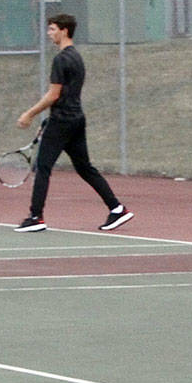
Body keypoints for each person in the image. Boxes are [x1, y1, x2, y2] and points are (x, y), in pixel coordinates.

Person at [14, 14, 133, 233]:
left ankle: (36, 217)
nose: (49, 33)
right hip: (75, 120)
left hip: (63, 121)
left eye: (52, 29)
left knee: (43, 167)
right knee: (85, 168)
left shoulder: (61, 59)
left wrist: (29, 114)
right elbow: (67, 94)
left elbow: (53, 95)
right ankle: (117, 209)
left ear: (64, 31)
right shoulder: (76, 57)